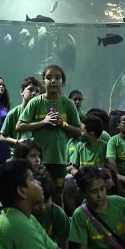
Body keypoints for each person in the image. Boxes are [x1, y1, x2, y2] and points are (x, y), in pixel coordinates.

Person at [16, 64, 81, 210]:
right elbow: (19, 126)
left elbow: (79, 132)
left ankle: (59, 230)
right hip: (37, 161)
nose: (53, 81)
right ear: (43, 81)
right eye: (49, 77)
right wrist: (43, 122)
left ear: (62, 82)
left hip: (59, 160)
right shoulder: (35, 102)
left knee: (57, 197)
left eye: (57, 77)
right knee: (34, 196)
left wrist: (62, 124)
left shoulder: (68, 104)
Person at [0, 76, 40, 154]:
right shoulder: (13, 113)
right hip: (18, 155)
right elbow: (2, 137)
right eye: (30, 89)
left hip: (36, 155)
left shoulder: (40, 113)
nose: (34, 93)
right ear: (22, 92)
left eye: (37, 91)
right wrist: (17, 142)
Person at [32, 171, 70, 249]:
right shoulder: (25, 215)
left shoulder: (58, 214)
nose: (42, 207)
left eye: (46, 201)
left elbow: (64, 247)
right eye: (37, 203)